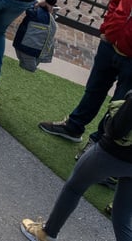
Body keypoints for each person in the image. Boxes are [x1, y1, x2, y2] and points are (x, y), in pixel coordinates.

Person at [21, 98, 132, 241]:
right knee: (122, 218)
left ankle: (47, 234)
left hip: (112, 154)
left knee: (74, 188)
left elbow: (117, 130)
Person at [38, 0, 132, 144]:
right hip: (110, 45)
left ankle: (99, 143)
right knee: (94, 89)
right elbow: (117, 0)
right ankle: (73, 127)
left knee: (118, 106)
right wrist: (105, 29)